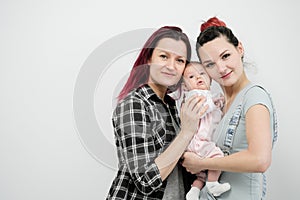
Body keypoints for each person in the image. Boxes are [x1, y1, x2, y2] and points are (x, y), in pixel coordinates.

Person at [106, 26, 208, 199]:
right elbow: (145, 181)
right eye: (164, 56)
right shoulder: (134, 104)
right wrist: (186, 132)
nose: (171, 66)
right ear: (148, 58)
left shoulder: (172, 106)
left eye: (180, 60)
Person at [182, 17, 278, 200]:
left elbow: (260, 160)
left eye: (225, 56)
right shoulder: (219, 105)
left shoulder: (254, 96)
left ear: (239, 49)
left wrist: (200, 162)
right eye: (210, 64)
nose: (220, 68)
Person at [170, 61, 230, 199]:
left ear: (209, 78)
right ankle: (213, 184)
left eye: (202, 73)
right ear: (185, 86)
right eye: (191, 77)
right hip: (200, 142)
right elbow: (200, 111)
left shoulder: (209, 95)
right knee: (217, 157)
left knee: (201, 174)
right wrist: (214, 104)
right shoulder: (193, 95)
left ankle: (194, 192)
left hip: (200, 143)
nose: (198, 78)